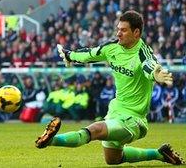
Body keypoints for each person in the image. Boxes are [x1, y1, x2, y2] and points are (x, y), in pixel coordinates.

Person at [35, 10, 184, 165]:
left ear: (136, 32)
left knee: (95, 129)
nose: (118, 33)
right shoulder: (112, 48)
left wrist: (156, 75)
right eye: (118, 29)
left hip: (134, 119)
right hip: (115, 112)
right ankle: (160, 154)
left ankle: (51, 140)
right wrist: (69, 55)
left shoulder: (143, 53)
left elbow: (150, 66)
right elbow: (89, 54)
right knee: (113, 159)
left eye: (123, 30)